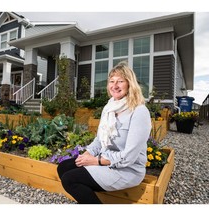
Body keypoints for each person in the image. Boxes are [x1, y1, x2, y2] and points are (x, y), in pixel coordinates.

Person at [57, 62, 152, 204]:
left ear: (130, 84)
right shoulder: (109, 108)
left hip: (127, 170)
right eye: (112, 81)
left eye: (120, 81)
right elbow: (100, 139)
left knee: (70, 179)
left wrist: (96, 161)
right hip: (106, 161)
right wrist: (88, 154)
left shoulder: (139, 111)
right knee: (64, 167)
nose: (115, 85)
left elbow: (129, 157)